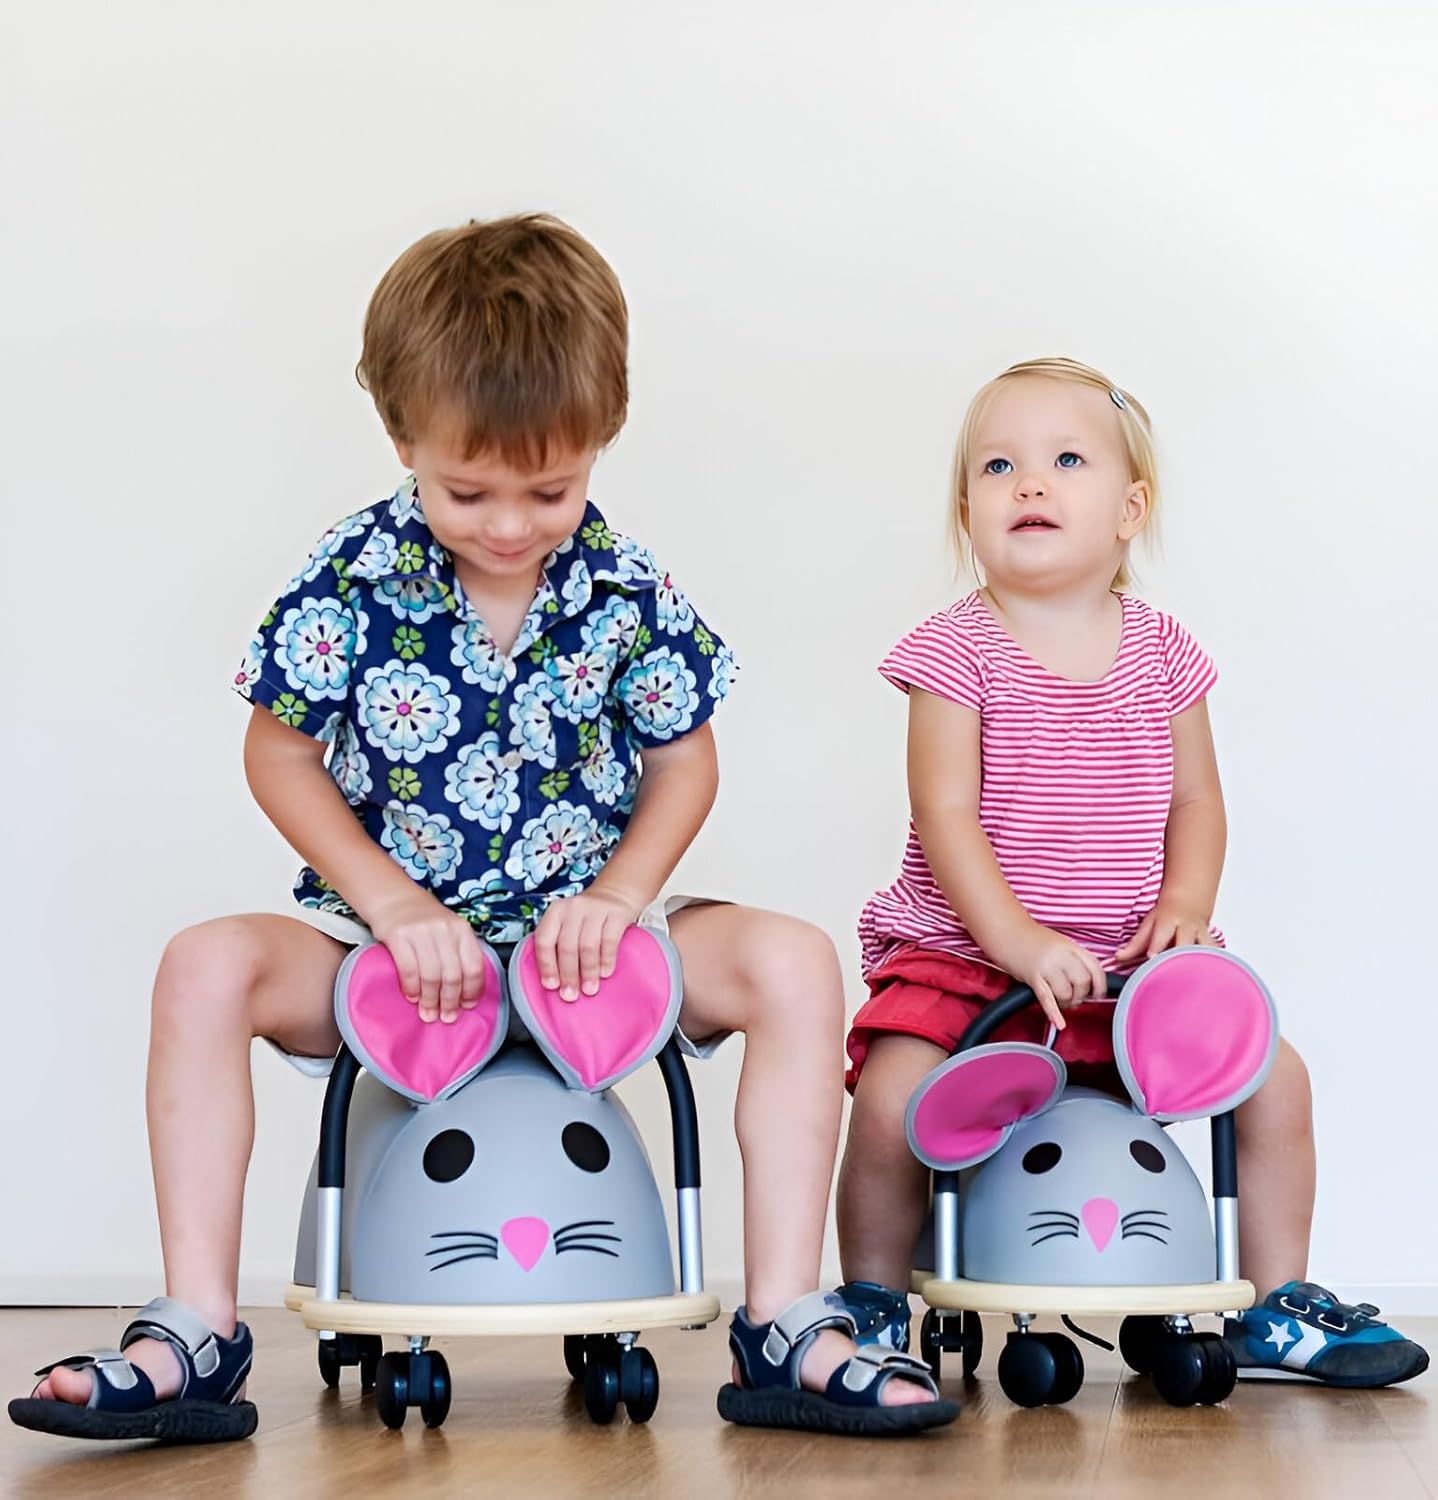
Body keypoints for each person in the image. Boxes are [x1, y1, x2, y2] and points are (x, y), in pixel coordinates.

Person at [10, 214, 953, 1443]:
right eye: (468, 492)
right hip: (385, 951)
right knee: (202, 965)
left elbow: (684, 764)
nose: (509, 525)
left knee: (792, 960)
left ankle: (782, 1316)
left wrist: (618, 898)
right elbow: (278, 753)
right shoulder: (349, 577)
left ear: (600, 440)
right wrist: (391, 906)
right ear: (403, 439)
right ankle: (193, 1327)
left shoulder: (624, 586)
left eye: (549, 491)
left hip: (589, 950)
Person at [833, 357, 1427, 1389]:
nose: (1029, 483)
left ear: (1129, 510)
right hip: (971, 960)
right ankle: (874, 1302)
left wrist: (1185, 906)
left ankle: (1273, 1302)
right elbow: (945, 817)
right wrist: (1019, 943)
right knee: (891, 1095)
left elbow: (1196, 801)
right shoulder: (953, 653)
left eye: (1066, 460)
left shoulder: (1162, 652)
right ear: (967, 511)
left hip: (1124, 967)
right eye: (997, 467)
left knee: (1277, 1078)